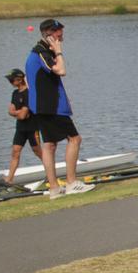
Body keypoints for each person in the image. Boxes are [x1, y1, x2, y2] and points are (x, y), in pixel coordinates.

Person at [24, 18, 94, 199]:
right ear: (49, 34)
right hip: (50, 106)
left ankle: (54, 188)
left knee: (49, 145)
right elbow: (61, 70)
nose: (61, 37)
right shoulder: (41, 52)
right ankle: (71, 183)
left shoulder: (40, 51)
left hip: (41, 105)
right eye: (58, 34)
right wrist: (59, 52)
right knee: (75, 139)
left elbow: (29, 79)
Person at [3, 68, 41, 185]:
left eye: (11, 80)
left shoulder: (29, 93)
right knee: (15, 151)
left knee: (37, 151)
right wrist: (17, 112)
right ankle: (9, 179)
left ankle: (51, 172)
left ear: (19, 80)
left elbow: (23, 115)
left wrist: (16, 112)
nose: (10, 83)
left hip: (32, 127)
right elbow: (11, 110)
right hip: (20, 129)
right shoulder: (15, 93)